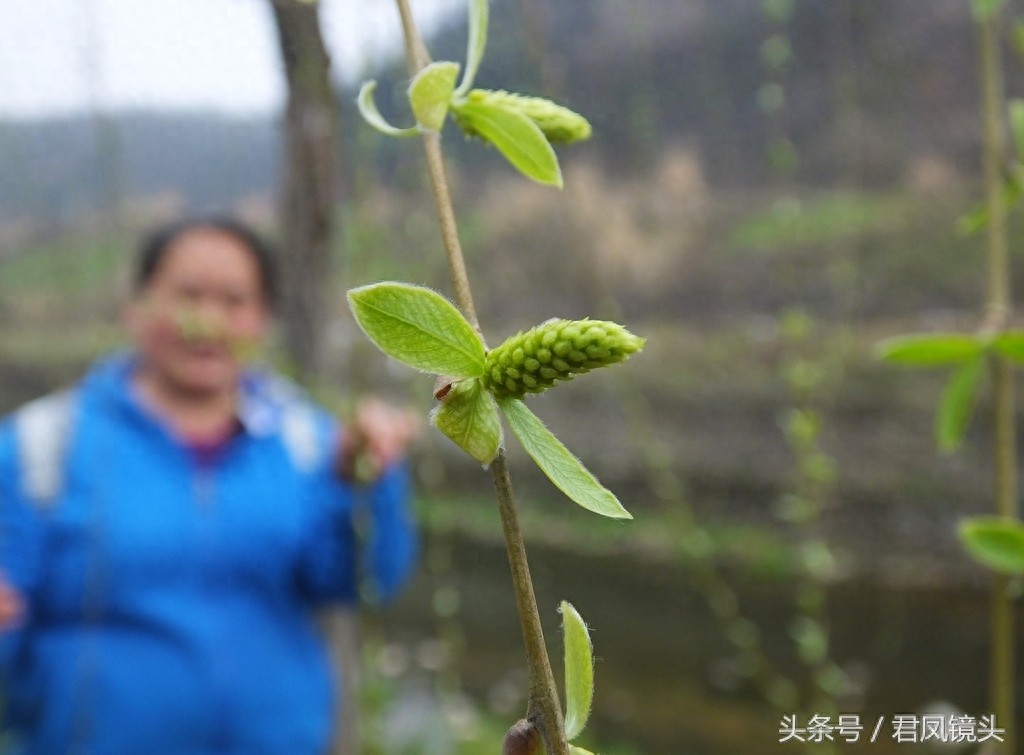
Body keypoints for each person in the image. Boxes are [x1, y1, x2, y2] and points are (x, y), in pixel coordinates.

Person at [0, 217, 420, 754]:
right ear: (137, 306)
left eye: (234, 301)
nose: (208, 320)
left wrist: (363, 483)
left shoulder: (308, 441)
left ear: (263, 320)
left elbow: (360, 582)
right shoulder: (40, 445)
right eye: (188, 295)